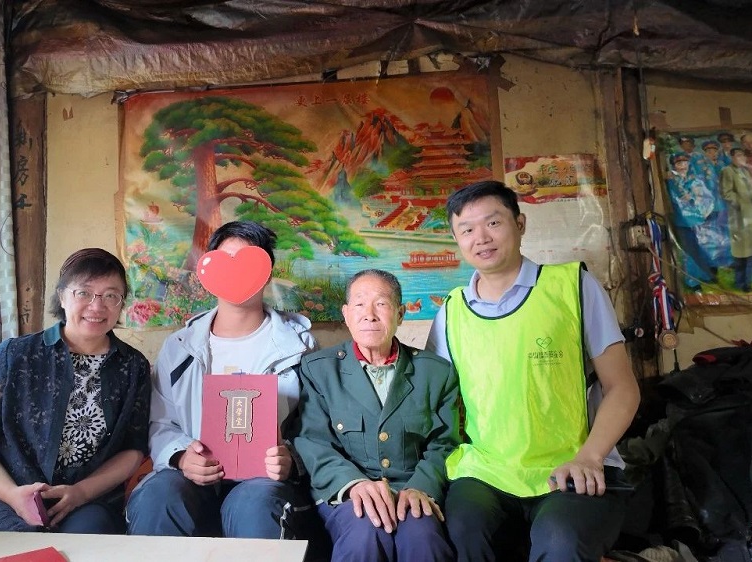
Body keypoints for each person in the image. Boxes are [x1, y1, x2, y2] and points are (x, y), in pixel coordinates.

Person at [426, 180, 641, 561]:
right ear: (456, 239)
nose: (481, 238)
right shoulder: (451, 312)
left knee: (560, 538)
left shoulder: (572, 287)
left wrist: (590, 456)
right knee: (460, 530)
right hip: (486, 471)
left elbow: (622, 388)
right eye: (467, 229)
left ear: (520, 224)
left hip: (573, 462)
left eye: (493, 223)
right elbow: (436, 402)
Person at [0, 248, 152, 550]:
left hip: (85, 498)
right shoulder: (16, 355)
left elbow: (132, 450)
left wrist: (81, 493)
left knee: (89, 542)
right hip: (4, 494)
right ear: (62, 296)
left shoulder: (133, 366)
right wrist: (12, 495)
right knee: (20, 546)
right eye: (84, 292)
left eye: (111, 295)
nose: (97, 306)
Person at [126, 220, 317, 539]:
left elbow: (316, 427)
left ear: (267, 272)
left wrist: (291, 458)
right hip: (192, 477)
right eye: (225, 263)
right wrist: (180, 456)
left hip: (263, 481)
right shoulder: (180, 346)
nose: (236, 273)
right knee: (159, 495)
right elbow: (161, 421)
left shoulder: (299, 346)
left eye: (248, 264)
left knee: (255, 504)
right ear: (208, 272)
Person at [294, 269, 458, 562]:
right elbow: (313, 441)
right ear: (346, 314)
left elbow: (445, 444)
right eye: (359, 304)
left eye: (381, 304)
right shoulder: (319, 369)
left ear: (400, 314)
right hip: (346, 492)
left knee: (423, 539)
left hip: (410, 489)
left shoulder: (436, 372)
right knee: (364, 536)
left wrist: (422, 487)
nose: (369, 315)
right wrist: (354, 484)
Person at [665, 152, 720, 289]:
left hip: (699, 221)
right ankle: (693, 282)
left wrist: (696, 200)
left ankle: (707, 275)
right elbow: (679, 198)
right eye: (679, 163)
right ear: (674, 166)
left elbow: (707, 198)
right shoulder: (672, 180)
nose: (683, 166)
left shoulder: (695, 180)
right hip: (683, 222)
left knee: (701, 248)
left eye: (685, 163)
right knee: (688, 251)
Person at [719, 148, 752, 292]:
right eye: (738, 155)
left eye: (743, 155)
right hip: (741, 218)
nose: (741, 158)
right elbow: (726, 193)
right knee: (744, 253)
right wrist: (741, 203)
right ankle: (743, 283)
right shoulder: (727, 171)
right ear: (732, 157)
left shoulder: (745, 171)